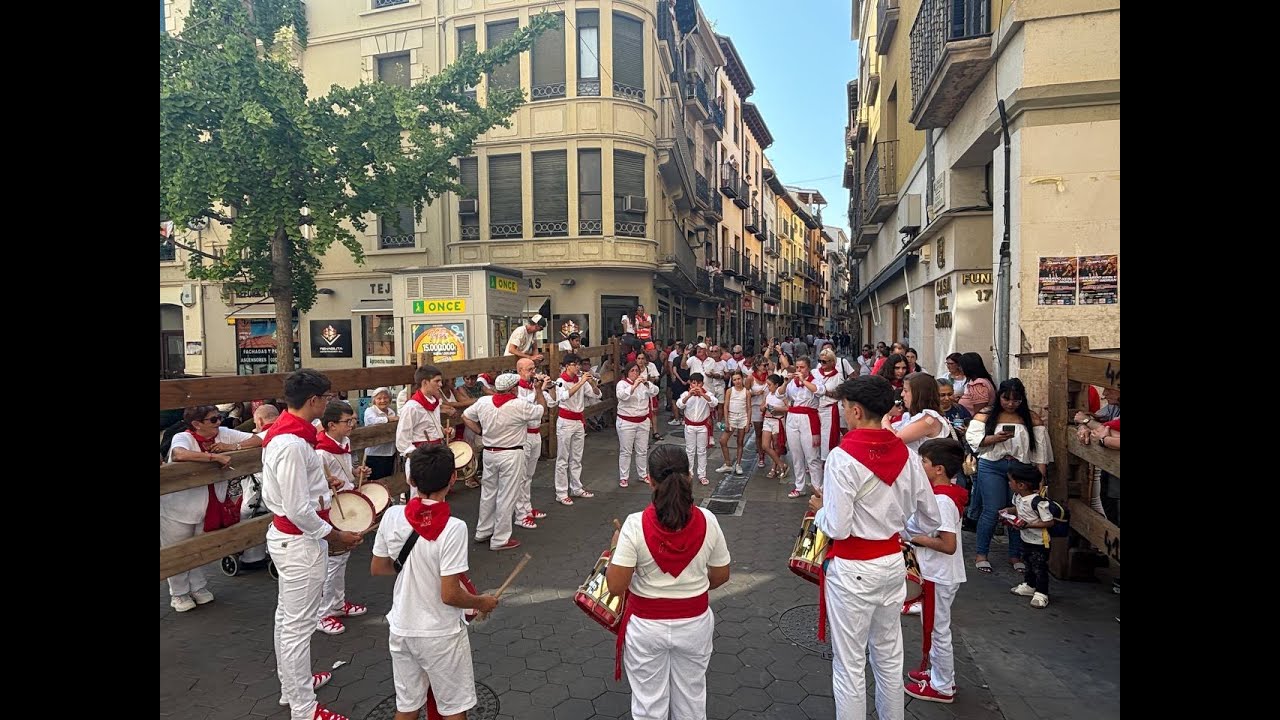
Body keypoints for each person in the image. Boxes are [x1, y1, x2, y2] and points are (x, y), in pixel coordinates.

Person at [809, 375, 941, 720]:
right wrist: (894, 521)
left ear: (855, 410)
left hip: (852, 567)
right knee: (888, 656)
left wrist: (819, 511)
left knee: (850, 665)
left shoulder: (842, 457)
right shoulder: (910, 456)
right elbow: (929, 519)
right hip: (891, 563)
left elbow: (837, 525)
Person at [370, 444, 500, 720]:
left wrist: (412, 568)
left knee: (406, 706)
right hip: (440, 633)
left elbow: (379, 567)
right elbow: (450, 594)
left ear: (411, 480)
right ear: (453, 478)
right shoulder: (454, 528)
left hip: (402, 626)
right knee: (453, 709)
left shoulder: (392, 515)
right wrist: (482, 602)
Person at [262, 369, 363, 720]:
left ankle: (294, 687)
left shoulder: (291, 436)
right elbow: (296, 507)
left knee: (287, 620)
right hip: (300, 540)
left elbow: (297, 492)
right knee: (297, 627)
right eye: (326, 397)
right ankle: (304, 708)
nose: (329, 402)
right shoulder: (291, 443)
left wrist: (323, 482)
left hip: (295, 538)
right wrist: (334, 535)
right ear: (313, 401)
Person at [606, 445, 731, 720]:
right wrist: (693, 587)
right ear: (689, 476)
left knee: (649, 705)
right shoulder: (708, 520)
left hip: (646, 626)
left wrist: (615, 549)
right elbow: (721, 575)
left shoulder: (634, 525)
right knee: (691, 699)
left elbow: (615, 586)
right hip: (694, 622)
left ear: (650, 480)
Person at [162, 405, 262, 612]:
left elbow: (259, 439)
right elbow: (179, 454)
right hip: (179, 506)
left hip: (210, 504)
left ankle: (198, 586)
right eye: (213, 419)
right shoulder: (183, 437)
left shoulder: (222, 434)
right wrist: (213, 457)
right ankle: (179, 593)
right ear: (197, 424)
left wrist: (231, 448)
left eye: (219, 417)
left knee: (201, 547)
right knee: (178, 549)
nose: (219, 422)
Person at [904, 439, 969, 704]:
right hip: (936, 573)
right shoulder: (945, 493)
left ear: (939, 469)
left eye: (925, 462)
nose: (921, 466)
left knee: (937, 629)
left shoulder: (942, 500)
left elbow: (948, 544)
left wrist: (917, 538)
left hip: (938, 574)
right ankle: (938, 674)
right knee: (932, 626)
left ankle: (943, 685)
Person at [965, 378, 1052, 575]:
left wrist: (1040, 477)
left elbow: (1040, 451)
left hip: (1021, 467)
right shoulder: (986, 414)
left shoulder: (1031, 418)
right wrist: (995, 439)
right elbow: (974, 441)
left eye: (1016, 400)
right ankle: (981, 554)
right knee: (992, 510)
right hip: (993, 465)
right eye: (1006, 399)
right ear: (999, 397)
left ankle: (1015, 555)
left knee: (1018, 511)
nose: (1011, 404)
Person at [460, 373, 548, 552]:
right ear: (513, 388)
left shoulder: (484, 402)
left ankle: (483, 530)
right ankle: (500, 538)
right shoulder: (518, 405)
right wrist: (539, 391)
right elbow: (541, 410)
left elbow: (465, 416)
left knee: (488, 493)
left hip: (490, 451)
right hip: (511, 453)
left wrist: (480, 432)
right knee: (507, 495)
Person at [314, 401, 371, 636]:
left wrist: (356, 473)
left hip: (345, 503)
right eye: (348, 421)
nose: (352, 425)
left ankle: (337, 604)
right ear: (331, 425)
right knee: (332, 562)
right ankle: (322, 613)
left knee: (342, 559)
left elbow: (345, 472)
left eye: (354, 420)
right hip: (329, 509)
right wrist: (329, 485)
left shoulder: (344, 442)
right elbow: (313, 489)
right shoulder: (320, 453)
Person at [1002, 461, 1056, 609]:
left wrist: (1028, 524)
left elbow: (1049, 522)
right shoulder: (1018, 497)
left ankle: (1042, 592)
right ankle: (1030, 584)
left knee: (1039, 566)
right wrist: (1007, 511)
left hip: (1040, 541)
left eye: (1010, 480)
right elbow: (1016, 509)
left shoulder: (1038, 502)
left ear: (1021, 485)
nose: (1008, 483)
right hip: (1026, 538)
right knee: (1028, 562)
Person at [553, 354, 602, 505]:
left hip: (578, 421)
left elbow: (597, 395)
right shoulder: (561, 381)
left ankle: (576, 487)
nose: (578, 367)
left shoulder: (580, 379)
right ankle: (561, 492)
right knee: (562, 459)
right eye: (575, 365)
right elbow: (564, 396)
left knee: (577, 457)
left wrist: (593, 383)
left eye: (579, 364)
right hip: (566, 421)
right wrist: (581, 382)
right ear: (567, 366)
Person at [512, 359, 554, 529]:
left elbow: (551, 403)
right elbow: (523, 406)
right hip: (523, 435)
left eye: (534, 368)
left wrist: (549, 388)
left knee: (529, 476)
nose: (533, 372)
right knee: (521, 477)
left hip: (535, 433)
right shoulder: (516, 387)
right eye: (529, 369)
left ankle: (527, 508)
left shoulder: (532, 386)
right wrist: (539, 389)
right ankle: (520, 514)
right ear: (520, 370)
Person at [784, 357, 824, 499]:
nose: (799, 370)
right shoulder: (792, 384)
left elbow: (820, 391)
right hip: (793, 417)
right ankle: (799, 486)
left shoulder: (815, 380)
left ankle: (817, 487)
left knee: (812, 455)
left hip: (808, 418)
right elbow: (781, 394)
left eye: (802, 367)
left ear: (808, 368)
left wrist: (804, 381)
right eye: (797, 367)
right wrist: (785, 382)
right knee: (796, 454)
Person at [396, 365, 455, 459]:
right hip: (422, 458)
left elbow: (428, 427)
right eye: (436, 381)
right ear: (424, 382)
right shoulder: (412, 407)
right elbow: (402, 440)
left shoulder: (434, 402)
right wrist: (418, 458)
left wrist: (443, 432)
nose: (440, 384)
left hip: (437, 454)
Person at [617, 361, 660, 488]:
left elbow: (655, 391)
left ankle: (642, 474)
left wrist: (647, 384)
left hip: (643, 420)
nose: (635, 373)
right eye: (632, 371)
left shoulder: (644, 384)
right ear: (627, 373)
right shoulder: (622, 384)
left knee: (642, 450)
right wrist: (633, 386)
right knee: (626, 451)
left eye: (637, 370)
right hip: (626, 421)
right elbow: (622, 396)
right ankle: (624, 477)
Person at [676, 373, 718, 486]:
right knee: (689, 450)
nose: (695, 385)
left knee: (702, 451)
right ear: (690, 383)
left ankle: (702, 475)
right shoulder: (686, 394)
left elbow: (714, 402)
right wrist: (689, 395)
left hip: (702, 427)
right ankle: (689, 473)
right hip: (689, 426)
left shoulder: (707, 393)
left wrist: (703, 394)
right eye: (693, 383)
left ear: (702, 383)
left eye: (698, 383)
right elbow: (679, 404)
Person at [715, 370, 750, 475]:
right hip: (732, 417)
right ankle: (728, 463)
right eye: (735, 380)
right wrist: (726, 421)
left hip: (742, 417)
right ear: (732, 381)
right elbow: (725, 406)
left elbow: (749, 408)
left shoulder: (746, 392)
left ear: (742, 379)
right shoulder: (730, 391)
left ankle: (738, 464)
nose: (737, 381)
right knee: (723, 440)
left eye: (739, 379)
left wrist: (748, 422)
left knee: (740, 442)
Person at [363, 387, 398, 482]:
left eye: (385, 398)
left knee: (388, 480)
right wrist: (388, 419)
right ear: (374, 400)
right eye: (379, 398)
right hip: (375, 453)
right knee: (375, 482)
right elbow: (373, 421)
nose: (382, 400)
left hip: (389, 452)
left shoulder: (391, 411)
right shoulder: (370, 411)